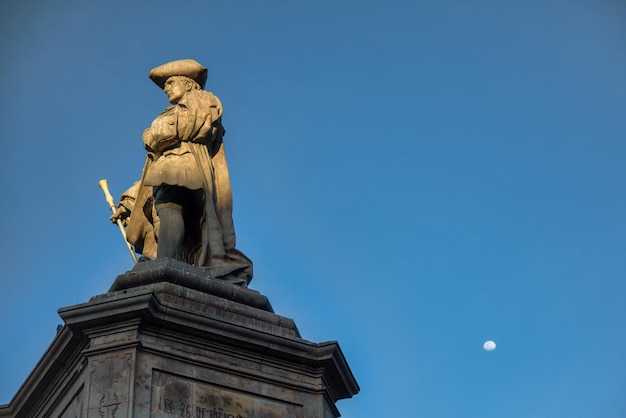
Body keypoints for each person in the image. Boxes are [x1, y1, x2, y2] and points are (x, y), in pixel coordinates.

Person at [111, 59, 252, 285]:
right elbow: (152, 167)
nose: (166, 88)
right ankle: (169, 262)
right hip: (169, 167)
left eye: (171, 82)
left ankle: (166, 262)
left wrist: (154, 133)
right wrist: (129, 200)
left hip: (185, 165)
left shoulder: (201, 99)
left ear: (188, 84)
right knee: (166, 214)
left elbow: (192, 127)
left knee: (170, 208)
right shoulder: (176, 110)